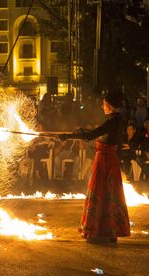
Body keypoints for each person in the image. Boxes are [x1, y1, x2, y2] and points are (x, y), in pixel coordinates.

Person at [58, 91, 130, 245]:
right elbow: (96, 134)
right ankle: (109, 232)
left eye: (104, 104)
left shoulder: (112, 121)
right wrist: (82, 132)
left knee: (101, 193)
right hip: (109, 160)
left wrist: (68, 136)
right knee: (110, 195)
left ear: (109, 105)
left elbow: (91, 136)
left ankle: (98, 232)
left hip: (104, 160)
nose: (102, 106)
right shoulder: (116, 120)